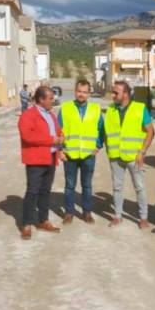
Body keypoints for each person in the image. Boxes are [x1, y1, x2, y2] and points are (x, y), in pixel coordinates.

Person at [105, 81, 155, 229]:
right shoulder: (110, 110)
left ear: (125, 94)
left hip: (135, 156)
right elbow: (107, 132)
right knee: (117, 187)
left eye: (116, 93)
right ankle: (118, 216)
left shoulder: (140, 109)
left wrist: (142, 151)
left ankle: (143, 218)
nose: (113, 95)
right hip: (115, 156)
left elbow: (150, 131)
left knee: (139, 187)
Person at [18, 86, 64, 240]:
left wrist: (60, 141)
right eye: (50, 98)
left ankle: (43, 220)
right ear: (41, 99)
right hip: (36, 160)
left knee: (45, 191)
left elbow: (57, 131)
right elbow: (27, 136)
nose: (53, 100)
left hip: (50, 158)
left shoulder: (50, 115)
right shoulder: (28, 115)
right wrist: (51, 140)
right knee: (32, 192)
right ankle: (26, 224)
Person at [58, 79, 104, 224]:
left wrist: (97, 146)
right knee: (70, 185)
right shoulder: (65, 108)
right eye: (79, 91)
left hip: (88, 155)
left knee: (87, 185)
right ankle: (69, 213)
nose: (81, 94)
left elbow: (101, 130)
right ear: (75, 91)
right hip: (69, 154)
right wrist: (60, 150)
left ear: (89, 93)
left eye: (84, 92)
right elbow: (58, 130)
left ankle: (87, 213)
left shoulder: (95, 109)